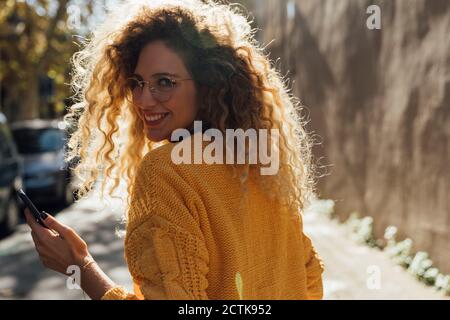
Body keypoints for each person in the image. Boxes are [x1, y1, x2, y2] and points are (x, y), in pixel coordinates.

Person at [25, 0, 324, 300]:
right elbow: (309, 279)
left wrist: (81, 266)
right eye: (138, 83)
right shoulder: (259, 157)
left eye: (164, 83)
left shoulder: (167, 171)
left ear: (208, 87)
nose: (143, 100)